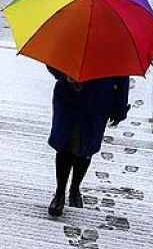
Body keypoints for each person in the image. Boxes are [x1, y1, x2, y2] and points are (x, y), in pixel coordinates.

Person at [46, 66, 130, 217]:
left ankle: (75, 188)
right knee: (66, 144)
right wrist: (65, 74)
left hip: (98, 103)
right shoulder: (69, 41)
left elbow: (122, 78)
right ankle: (59, 193)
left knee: (86, 147)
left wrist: (119, 110)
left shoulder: (116, 47)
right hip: (68, 100)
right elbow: (53, 62)